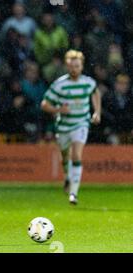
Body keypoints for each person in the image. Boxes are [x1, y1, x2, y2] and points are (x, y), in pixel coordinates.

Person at [41, 50, 101, 205]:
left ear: (82, 66)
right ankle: (67, 176)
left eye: (77, 66)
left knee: (76, 155)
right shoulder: (60, 84)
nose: (75, 69)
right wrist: (59, 110)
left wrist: (97, 112)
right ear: (67, 66)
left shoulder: (88, 82)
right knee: (65, 157)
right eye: (72, 66)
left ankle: (74, 193)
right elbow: (45, 104)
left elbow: (95, 93)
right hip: (63, 127)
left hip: (81, 123)